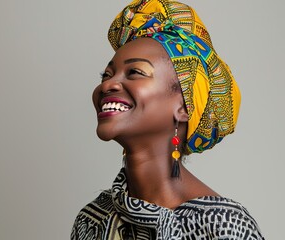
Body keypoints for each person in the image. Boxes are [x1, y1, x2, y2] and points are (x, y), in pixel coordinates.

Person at [71, 0, 264, 239]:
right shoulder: (92, 219)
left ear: (184, 106)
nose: (107, 84)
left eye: (135, 72)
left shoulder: (224, 227)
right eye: (106, 75)